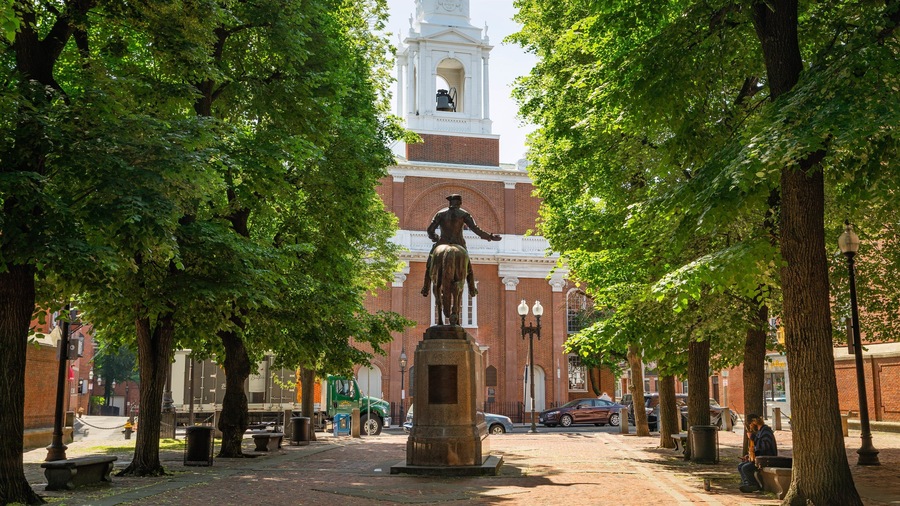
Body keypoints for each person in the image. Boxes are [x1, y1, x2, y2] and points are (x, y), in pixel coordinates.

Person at [421, 194, 501, 297]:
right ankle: (472, 288)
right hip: (459, 243)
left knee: (430, 262)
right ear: (460, 203)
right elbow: (476, 229)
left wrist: (434, 237)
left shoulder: (440, 214)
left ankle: (425, 288)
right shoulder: (464, 214)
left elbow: (430, 230)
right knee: (468, 265)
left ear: (450, 203)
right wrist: (490, 237)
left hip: (442, 242)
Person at [738, 414, 778, 493]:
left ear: (754, 422)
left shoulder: (766, 431)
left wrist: (753, 438)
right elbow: (759, 449)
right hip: (761, 458)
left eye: (751, 424)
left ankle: (753, 485)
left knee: (746, 468)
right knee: (741, 465)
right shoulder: (760, 432)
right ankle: (747, 483)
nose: (751, 427)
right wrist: (749, 456)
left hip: (767, 459)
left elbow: (765, 446)